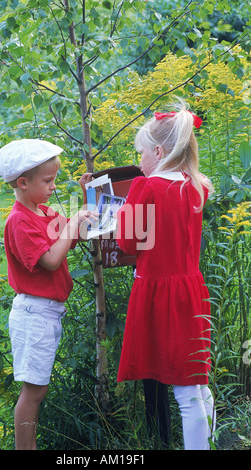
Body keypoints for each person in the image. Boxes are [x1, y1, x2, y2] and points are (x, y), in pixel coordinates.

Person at [116, 101, 216, 450]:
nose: (139, 160)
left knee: (185, 393)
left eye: (140, 153)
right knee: (197, 384)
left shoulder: (149, 188)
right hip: (191, 290)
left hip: (161, 295)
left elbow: (128, 240)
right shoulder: (195, 185)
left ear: (158, 151)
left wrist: (120, 213)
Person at [0, 139, 96, 450]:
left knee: (38, 389)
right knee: (33, 392)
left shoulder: (41, 211)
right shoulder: (20, 221)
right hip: (33, 314)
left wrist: (85, 198)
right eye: (48, 181)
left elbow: (71, 239)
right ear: (23, 183)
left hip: (45, 313)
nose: (53, 187)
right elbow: (52, 260)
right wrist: (75, 220)